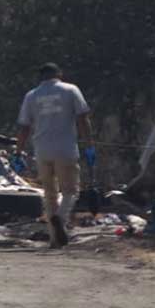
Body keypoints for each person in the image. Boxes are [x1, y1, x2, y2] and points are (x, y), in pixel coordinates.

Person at [16, 62, 95, 248]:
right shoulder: (70, 90)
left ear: (40, 77)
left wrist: (18, 151)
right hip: (65, 149)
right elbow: (83, 119)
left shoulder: (32, 95)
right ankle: (60, 218)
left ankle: (54, 239)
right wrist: (89, 145)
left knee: (49, 195)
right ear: (59, 74)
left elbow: (24, 127)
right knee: (70, 191)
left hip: (42, 151)